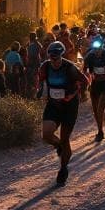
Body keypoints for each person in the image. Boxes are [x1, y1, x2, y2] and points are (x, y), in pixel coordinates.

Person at [38, 41, 89, 187]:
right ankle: (59, 146)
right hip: (53, 104)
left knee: (65, 139)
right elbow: (40, 80)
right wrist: (39, 90)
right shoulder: (45, 66)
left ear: (61, 56)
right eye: (51, 57)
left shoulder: (69, 67)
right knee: (46, 134)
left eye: (56, 58)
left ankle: (63, 169)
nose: (54, 61)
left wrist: (74, 94)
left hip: (69, 106)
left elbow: (85, 81)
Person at [82, 35, 105, 142]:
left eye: (99, 48)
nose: (97, 51)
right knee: (95, 109)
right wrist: (87, 83)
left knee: (100, 108)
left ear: (103, 46)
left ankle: (100, 132)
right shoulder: (89, 56)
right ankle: (103, 117)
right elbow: (84, 71)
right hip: (95, 84)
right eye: (95, 48)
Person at [24, 32, 42, 100]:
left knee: (32, 79)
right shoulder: (34, 44)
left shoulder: (32, 44)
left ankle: (31, 95)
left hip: (32, 64)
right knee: (33, 79)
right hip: (33, 64)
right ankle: (31, 95)